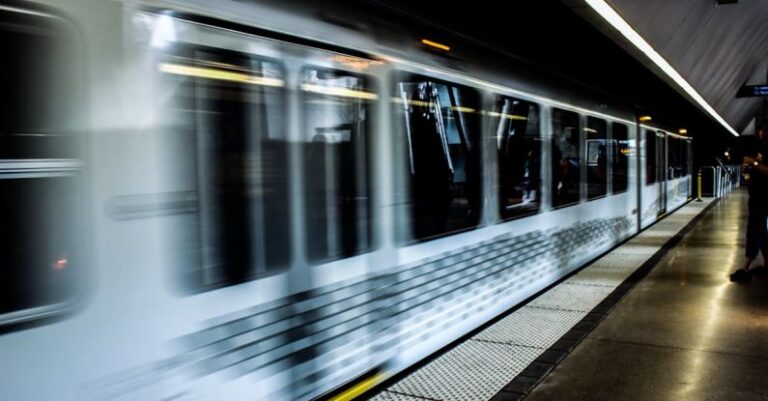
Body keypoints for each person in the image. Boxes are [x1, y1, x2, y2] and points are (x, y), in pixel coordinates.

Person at [730, 142, 768, 281]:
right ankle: (766, 264)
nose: (761, 135)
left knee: (754, 230)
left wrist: (755, 164)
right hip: (756, 198)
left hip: (764, 199)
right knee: (762, 232)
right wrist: (747, 170)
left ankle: (746, 267)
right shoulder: (759, 149)